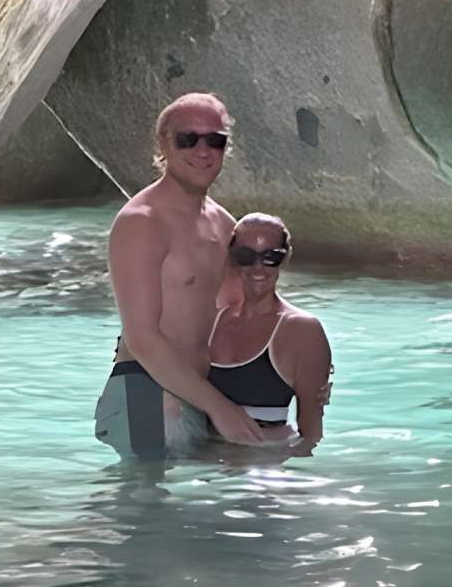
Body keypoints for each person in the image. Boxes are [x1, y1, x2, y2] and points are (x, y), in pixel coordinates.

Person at [95, 93, 270, 457]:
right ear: (164, 144)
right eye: (188, 139)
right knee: (146, 493)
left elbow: (244, 317)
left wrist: (301, 368)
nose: (202, 151)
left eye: (215, 140)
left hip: (202, 393)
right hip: (145, 391)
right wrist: (220, 408)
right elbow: (142, 338)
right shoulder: (142, 222)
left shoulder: (224, 224)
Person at [208, 213, 332, 448]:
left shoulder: (303, 330)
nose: (258, 267)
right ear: (233, 258)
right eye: (246, 256)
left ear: (286, 258)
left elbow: (311, 435)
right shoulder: (212, 321)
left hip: (263, 459)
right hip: (198, 458)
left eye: (271, 257)